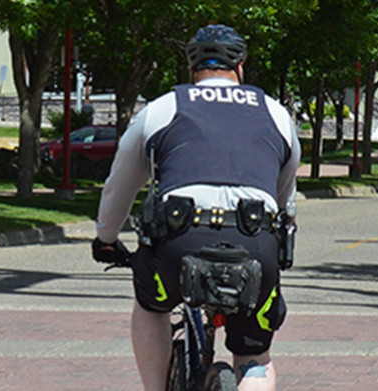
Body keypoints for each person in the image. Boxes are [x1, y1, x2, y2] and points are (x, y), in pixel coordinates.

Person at [91, 24, 301, 391]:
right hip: (255, 244)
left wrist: (106, 238)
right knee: (255, 360)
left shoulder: (163, 108)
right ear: (241, 66)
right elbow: (284, 198)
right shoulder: (276, 113)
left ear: (191, 68)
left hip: (178, 241)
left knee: (151, 306)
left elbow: (119, 186)